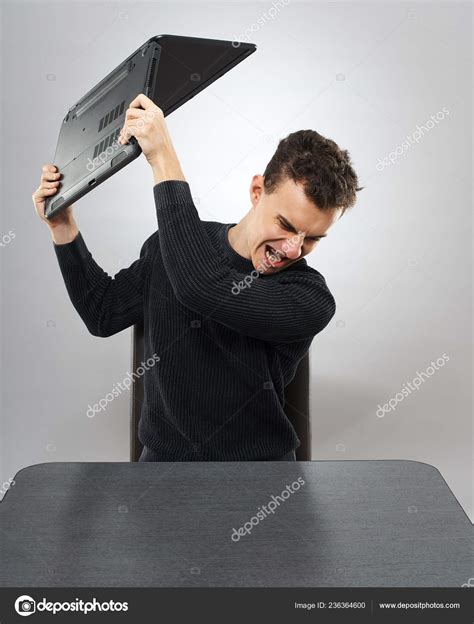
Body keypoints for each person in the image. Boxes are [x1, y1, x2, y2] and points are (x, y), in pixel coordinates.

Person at [32, 93, 362, 462]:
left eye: (312, 238)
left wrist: (163, 157)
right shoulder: (169, 248)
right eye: (285, 225)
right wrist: (62, 227)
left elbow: (200, 288)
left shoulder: (309, 298)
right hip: (162, 470)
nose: (292, 250)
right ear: (257, 191)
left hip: (261, 476)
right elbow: (102, 313)